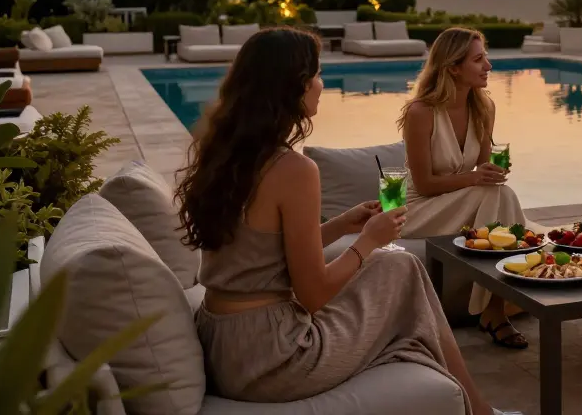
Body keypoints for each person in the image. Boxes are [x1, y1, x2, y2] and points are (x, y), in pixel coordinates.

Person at [177, 27, 516, 414]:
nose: (322, 85)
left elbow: (261, 253)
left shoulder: (225, 155)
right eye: (318, 75)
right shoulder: (292, 169)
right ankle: (482, 411)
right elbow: (314, 294)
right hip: (275, 358)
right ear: (297, 85)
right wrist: (367, 240)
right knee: (402, 276)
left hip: (223, 342)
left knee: (399, 267)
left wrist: (341, 225)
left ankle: (474, 406)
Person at [398, 27, 529, 349]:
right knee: (495, 194)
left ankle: (495, 307)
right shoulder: (421, 112)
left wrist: (492, 172)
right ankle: (495, 309)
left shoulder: (484, 108)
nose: (488, 66)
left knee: (500, 192)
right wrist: (476, 179)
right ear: (453, 67)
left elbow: (483, 169)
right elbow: (425, 184)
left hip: (457, 201)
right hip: (417, 208)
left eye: (486, 57)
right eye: (479, 59)